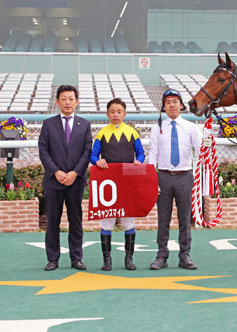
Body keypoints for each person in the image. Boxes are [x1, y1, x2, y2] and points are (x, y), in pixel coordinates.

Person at [38, 85, 92, 271]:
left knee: (75, 220)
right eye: (64, 99)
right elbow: (43, 151)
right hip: (54, 181)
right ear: (57, 102)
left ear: (76, 102)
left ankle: (76, 258)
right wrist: (57, 172)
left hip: (75, 181)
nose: (67, 102)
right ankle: (52, 258)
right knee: (52, 220)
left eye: (71, 99)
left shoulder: (84, 124)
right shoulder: (48, 124)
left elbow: (87, 151)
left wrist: (75, 172)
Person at [148, 89, 201, 270]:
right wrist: (150, 176)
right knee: (163, 218)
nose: (172, 105)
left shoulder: (191, 127)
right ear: (163, 106)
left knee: (185, 218)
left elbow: (200, 151)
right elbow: (152, 153)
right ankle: (161, 255)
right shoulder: (157, 128)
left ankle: (184, 255)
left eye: (175, 101)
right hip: (163, 176)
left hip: (184, 176)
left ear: (181, 105)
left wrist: (208, 145)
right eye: (168, 102)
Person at [90, 98, 145, 271]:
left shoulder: (132, 132)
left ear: (124, 113)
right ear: (107, 114)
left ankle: (129, 259)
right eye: (112, 111)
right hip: (108, 184)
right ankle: (107, 260)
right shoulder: (101, 133)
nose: (116, 114)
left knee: (129, 222)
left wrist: (138, 162)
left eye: (119, 111)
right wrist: (98, 162)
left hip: (127, 183)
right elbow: (93, 156)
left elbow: (141, 153)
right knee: (107, 223)